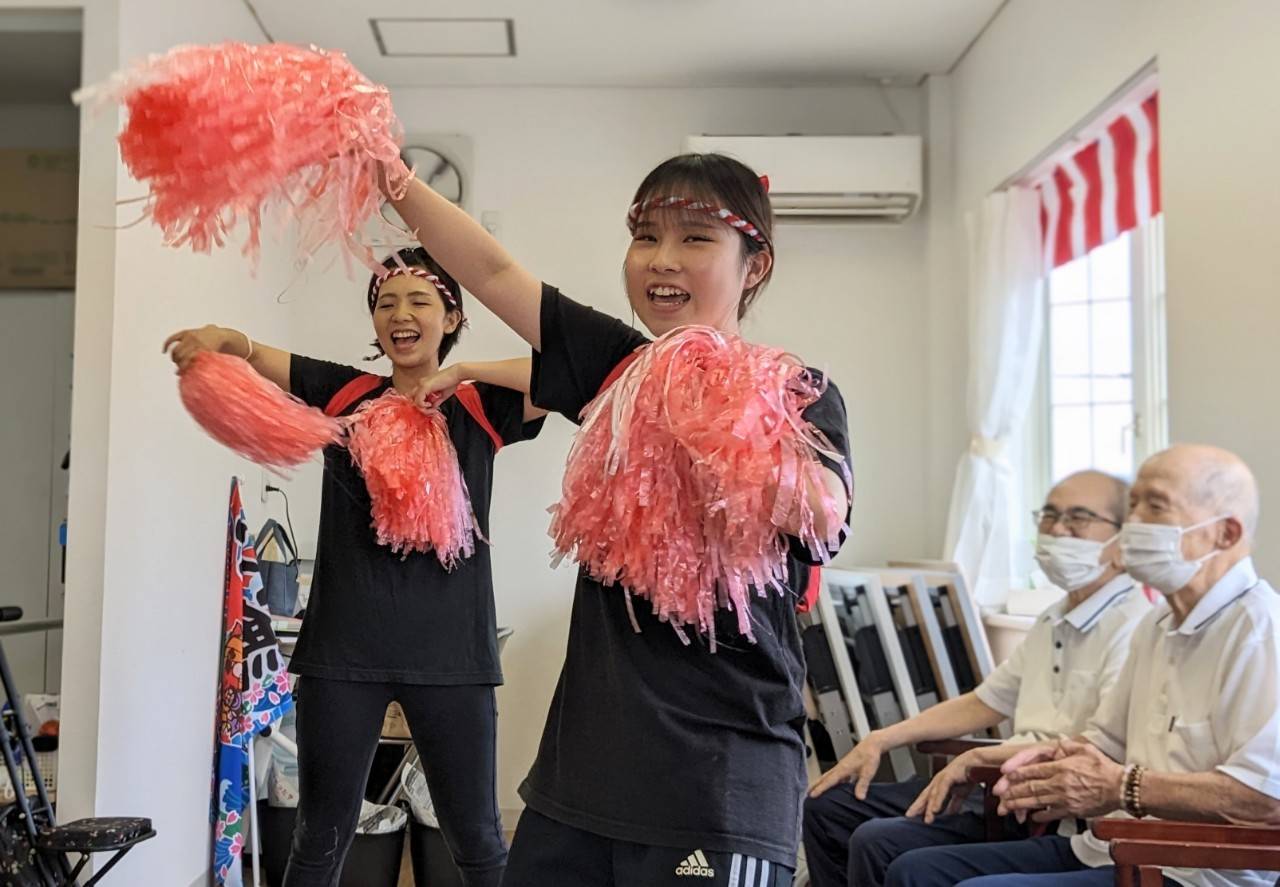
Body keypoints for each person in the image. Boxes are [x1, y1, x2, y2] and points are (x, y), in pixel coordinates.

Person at [388, 152, 853, 886]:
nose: (661, 259)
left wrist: (722, 410)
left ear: (754, 264)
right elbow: (495, 273)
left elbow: (825, 517)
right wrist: (387, 174)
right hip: (580, 783)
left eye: (696, 238)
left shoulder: (797, 393)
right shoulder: (621, 369)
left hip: (720, 786)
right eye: (645, 235)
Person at [163, 246, 545, 887]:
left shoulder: (481, 406)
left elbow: (568, 373)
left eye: (419, 300)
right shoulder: (348, 394)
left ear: (450, 318)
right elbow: (254, 355)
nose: (401, 313)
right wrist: (223, 340)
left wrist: (468, 372)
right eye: (386, 302)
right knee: (318, 842)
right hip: (342, 656)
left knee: (478, 840)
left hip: (453, 656)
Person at [884, 444, 1280, 887]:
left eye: (1156, 506)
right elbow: (1104, 742)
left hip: (1193, 873)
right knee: (914, 871)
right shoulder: (1158, 623)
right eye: (1133, 506)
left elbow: (1264, 797)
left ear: (1225, 534)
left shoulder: (1261, 631)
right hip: (1105, 850)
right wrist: (1049, 768)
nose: (1134, 524)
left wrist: (1120, 788)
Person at [803, 471, 1149, 887]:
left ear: (1122, 542)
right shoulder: (1054, 618)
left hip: (1046, 805)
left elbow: (1099, 749)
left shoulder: (1134, 627)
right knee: (826, 807)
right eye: (1050, 516)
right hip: (1001, 786)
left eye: (1078, 518)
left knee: (880, 843)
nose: (1058, 530)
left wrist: (981, 758)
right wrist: (883, 737)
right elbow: (984, 701)